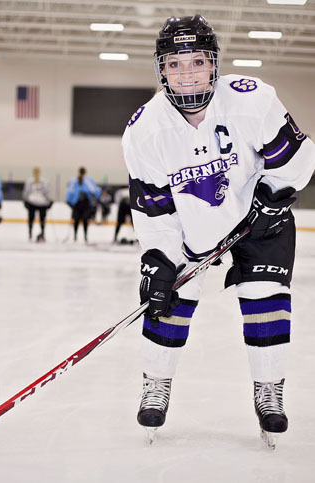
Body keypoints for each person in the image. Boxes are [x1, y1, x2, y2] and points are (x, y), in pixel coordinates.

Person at [122, 14, 315, 446]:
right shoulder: (145, 131)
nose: (186, 73)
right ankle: (156, 380)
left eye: (195, 61)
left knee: (265, 300)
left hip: (262, 219)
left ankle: (268, 388)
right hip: (194, 229)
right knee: (168, 301)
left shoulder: (252, 100)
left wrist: (274, 196)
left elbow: (300, 161)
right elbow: (154, 212)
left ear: (214, 64)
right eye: (174, 64)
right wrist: (157, 259)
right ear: (162, 70)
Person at [66, 167, 101, 242]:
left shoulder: (87, 180)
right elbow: (95, 191)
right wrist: (70, 201)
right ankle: (77, 236)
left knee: (83, 219)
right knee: (77, 220)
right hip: (78, 203)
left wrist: (69, 201)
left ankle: (83, 236)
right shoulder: (75, 181)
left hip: (84, 203)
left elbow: (95, 191)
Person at [22, 167, 53, 242]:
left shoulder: (29, 181)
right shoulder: (44, 181)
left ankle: (30, 234)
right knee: (42, 220)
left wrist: (25, 200)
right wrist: (50, 201)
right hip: (42, 203)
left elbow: (26, 192)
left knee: (31, 219)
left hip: (31, 202)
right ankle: (42, 234)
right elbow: (46, 192)